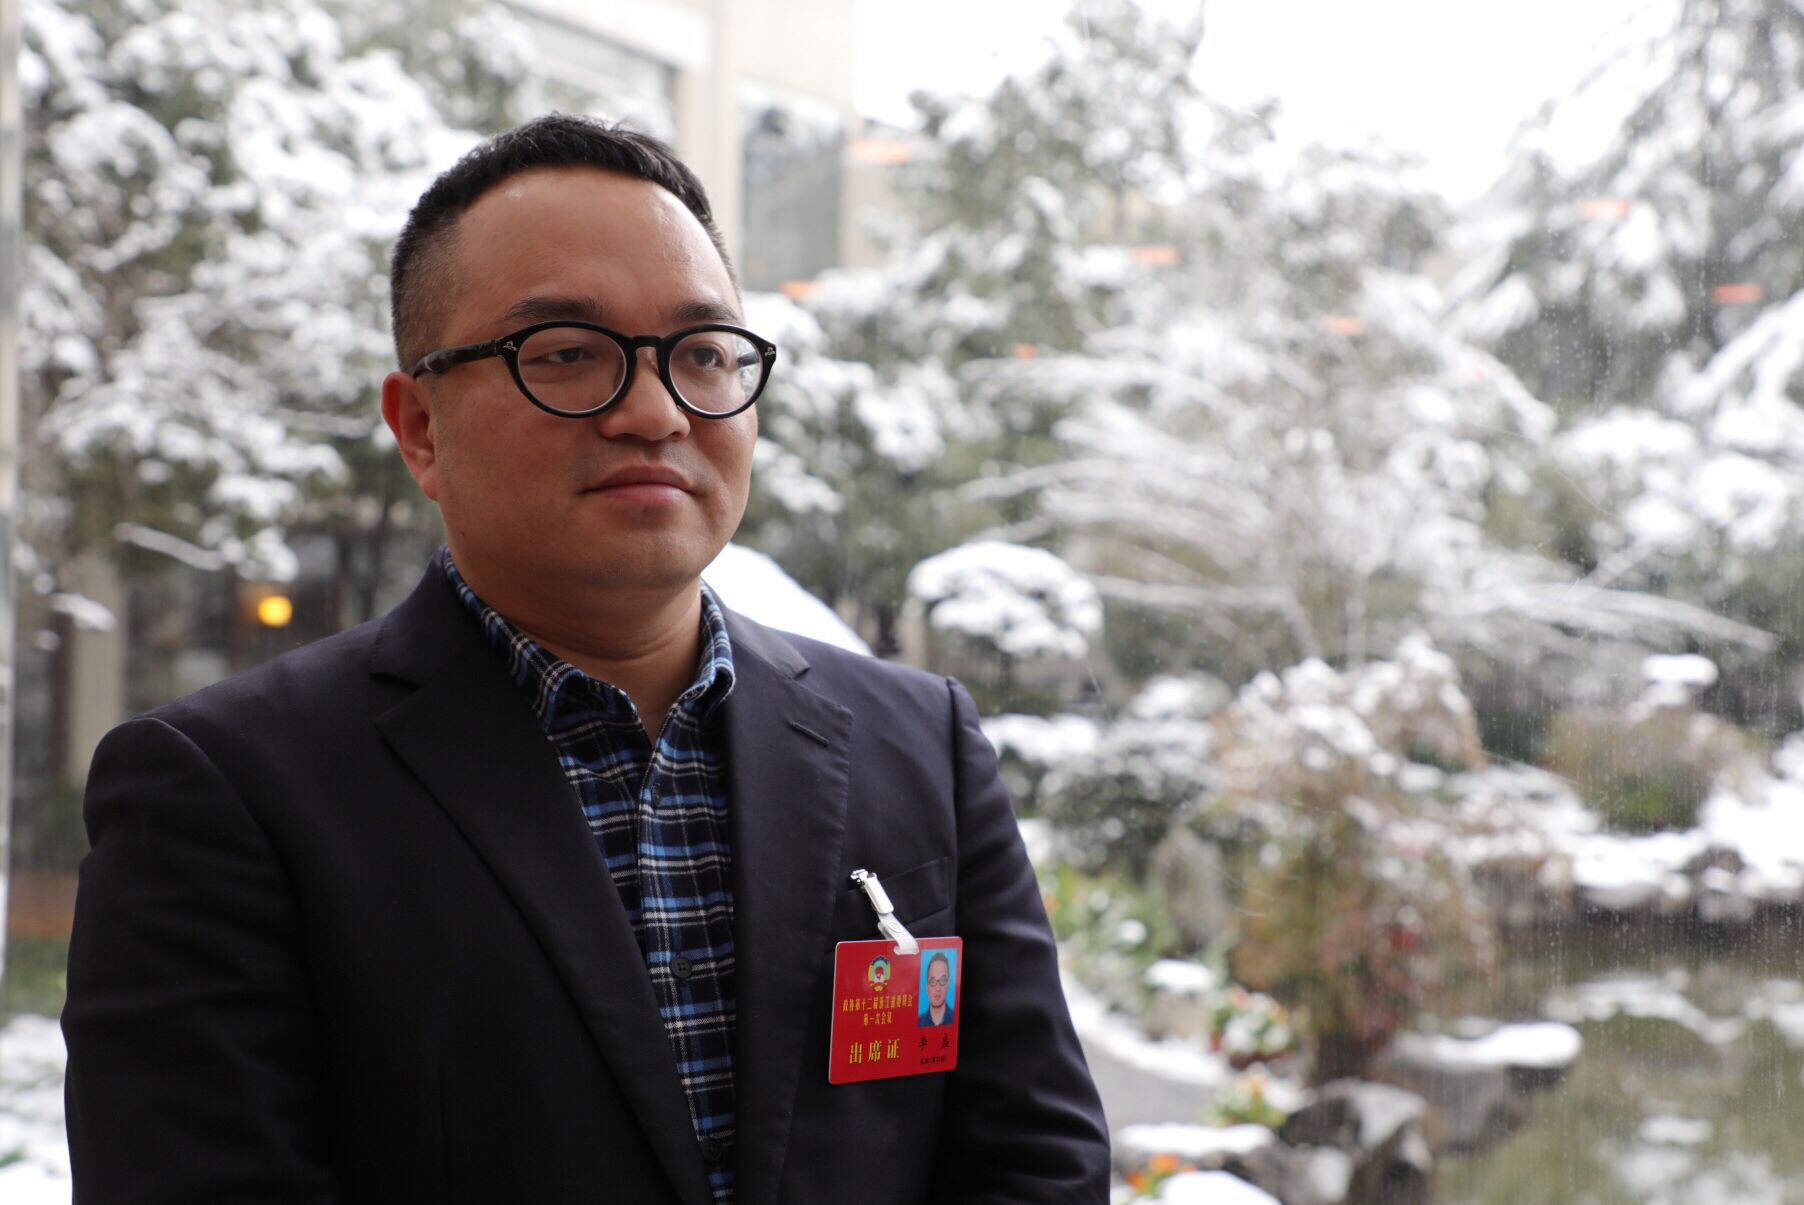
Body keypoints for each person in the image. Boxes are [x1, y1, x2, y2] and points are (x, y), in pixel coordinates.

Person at [62, 115, 1110, 1205]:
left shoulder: (921, 743)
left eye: (702, 353)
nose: (655, 412)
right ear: (419, 425)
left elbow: (1036, 1164)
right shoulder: (225, 791)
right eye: (566, 353)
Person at [919, 951, 956, 1027]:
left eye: (943, 980)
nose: (938, 988)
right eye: (933, 981)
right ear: (927, 986)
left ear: (948, 984)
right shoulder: (919, 1022)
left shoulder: (956, 1018)